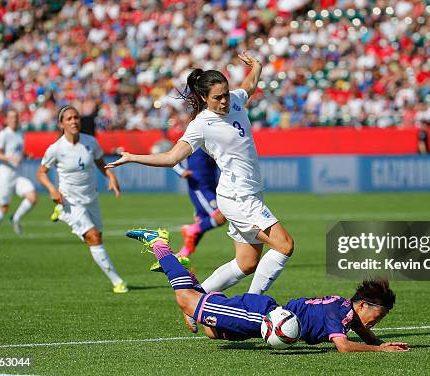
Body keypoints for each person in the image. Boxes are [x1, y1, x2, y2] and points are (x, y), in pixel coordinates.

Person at [107, 52, 295, 330]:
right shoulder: (201, 124)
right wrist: (134, 157)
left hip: (249, 194)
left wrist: (258, 65)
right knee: (285, 245)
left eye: (225, 95)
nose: (224, 101)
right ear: (205, 98)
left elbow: (251, 84)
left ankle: (194, 301)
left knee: (246, 263)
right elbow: (171, 157)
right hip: (238, 196)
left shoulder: (236, 100)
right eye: (217, 97)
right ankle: (254, 309)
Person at [126, 229, 409, 353]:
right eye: (379, 316)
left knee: (210, 330)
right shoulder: (340, 312)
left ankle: (183, 271)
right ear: (362, 305)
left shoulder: (348, 310)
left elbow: (363, 333)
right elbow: (344, 347)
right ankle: (160, 244)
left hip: (263, 322)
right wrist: (381, 352)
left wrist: (378, 342)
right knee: (186, 302)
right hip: (259, 316)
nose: (376, 323)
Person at [36, 105, 129, 293]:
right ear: (61, 124)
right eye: (68, 119)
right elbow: (41, 173)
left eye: (75, 117)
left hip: (91, 197)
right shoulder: (56, 149)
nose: (73, 121)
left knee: (97, 237)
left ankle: (60, 213)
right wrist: (53, 190)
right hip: (70, 200)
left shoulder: (90, 142)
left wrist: (111, 177)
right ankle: (117, 281)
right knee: (93, 237)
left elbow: (100, 163)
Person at [0, 109, 37, 246]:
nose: (14, 120)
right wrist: (10, 158)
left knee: (32, 198)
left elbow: (18, 152)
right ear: (6, 119)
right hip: (5, 176)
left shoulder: (21, 133)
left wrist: (26, 155)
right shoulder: (3, 134)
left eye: (16, 117)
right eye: (11, 117)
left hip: (18, 175)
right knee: (3, 208)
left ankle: (16, 218)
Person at [171, 148, 226, 258]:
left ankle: (182, 255)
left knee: (202, 224)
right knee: (220, 217)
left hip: (212, 187)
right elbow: (173, 158)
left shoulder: (213, 140)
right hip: (200, 187)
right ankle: (191, 229)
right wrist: (182, 172)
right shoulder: (195, 138)